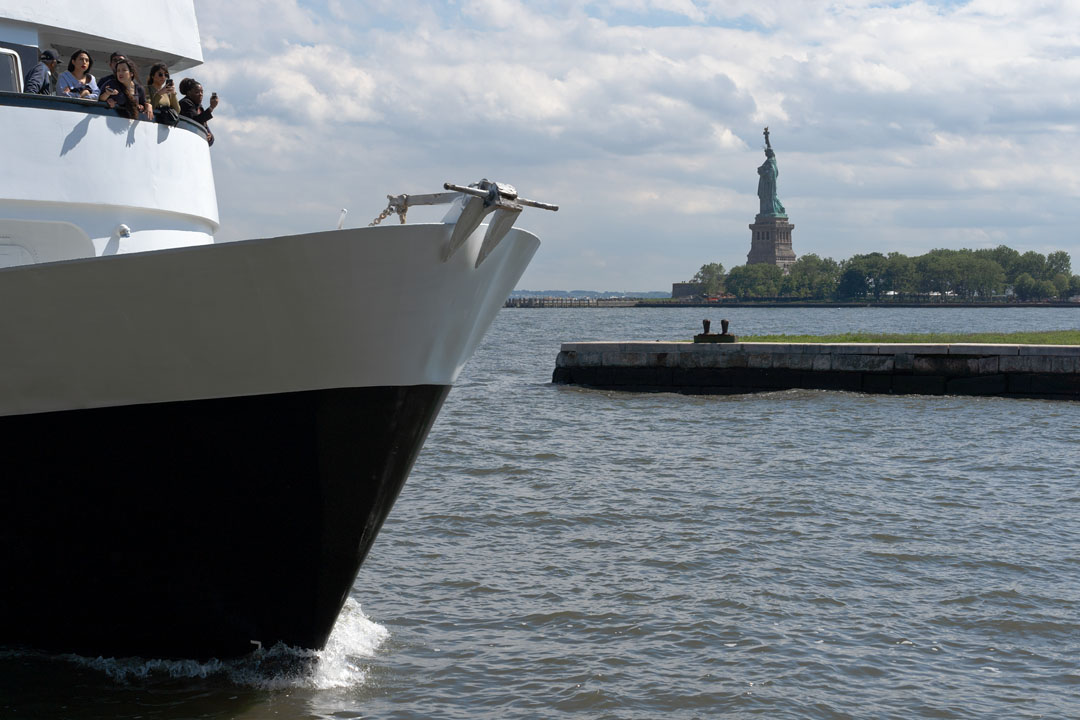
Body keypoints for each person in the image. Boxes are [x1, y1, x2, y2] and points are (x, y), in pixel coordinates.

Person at [178, 78, 218, 145]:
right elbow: (195, 122)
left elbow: (207, 130)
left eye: (202, 92)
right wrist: (211, 107)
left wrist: (209, 137)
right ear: (189, 93)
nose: (200, 94)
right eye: (197, 92)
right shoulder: (185, 103)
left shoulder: (200, 108)